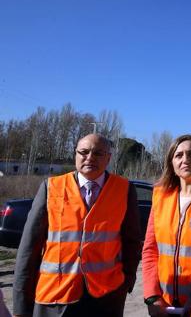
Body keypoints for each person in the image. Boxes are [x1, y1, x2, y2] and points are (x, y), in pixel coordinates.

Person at [12, 133, 141, 317]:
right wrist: (21, 304)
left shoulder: (124, 189)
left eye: (98, 153)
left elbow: (132, 241)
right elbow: (29, 248)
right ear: (76, 155)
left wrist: (127, 281)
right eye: (84, 152)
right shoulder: (51, 187)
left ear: (109, 158)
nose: (90, 158)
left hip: (106, 299)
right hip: (55, 299)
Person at [142, 134, 191, 316]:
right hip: (163, 305)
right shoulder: (160, 196)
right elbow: (150, 250)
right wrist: (152, 296)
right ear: (171, 163)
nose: (185, 159)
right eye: (179, 155)